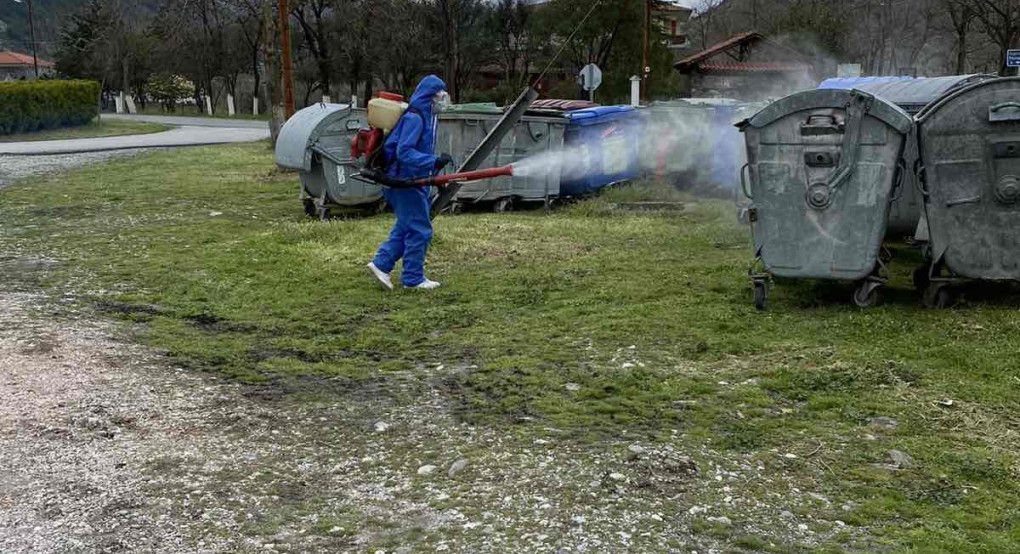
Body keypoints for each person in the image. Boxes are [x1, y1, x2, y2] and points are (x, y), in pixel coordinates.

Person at [367, 75, 454, 291]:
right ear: (429, 97)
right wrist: (433, 161)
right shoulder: (415, 118)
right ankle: (413, 279)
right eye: (440, 97)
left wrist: (432, 170)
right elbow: (404, 153)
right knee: (419, 230)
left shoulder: (426, 116)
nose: (443, 101)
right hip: (403, 182)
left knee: (406, 227)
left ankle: (381, 264)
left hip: (411, 181)